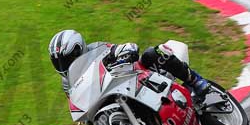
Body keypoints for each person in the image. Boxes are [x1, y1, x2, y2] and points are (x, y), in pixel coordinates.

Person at [48, 29, 211, 101]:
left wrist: (125, 52)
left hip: (133, 75)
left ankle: (195, 80)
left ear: (79, 49)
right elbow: (77, 102)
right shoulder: (67, 83)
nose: (65, 64)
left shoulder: (96, 48)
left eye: (68, 58)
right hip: (110, 96)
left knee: (152, 53)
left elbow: (120, 48)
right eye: (59, 61)